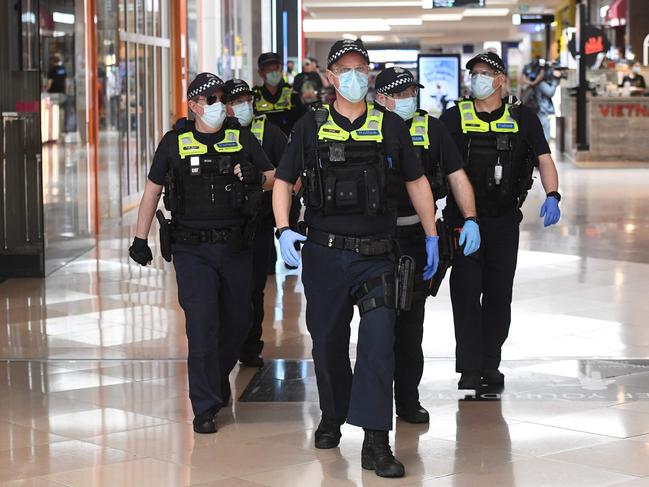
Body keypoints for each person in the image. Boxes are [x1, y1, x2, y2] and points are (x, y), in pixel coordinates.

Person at [272, 38, 440, 479]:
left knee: (378, 343)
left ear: (369, 75)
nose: (353, 76)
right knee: (327, 344)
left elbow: (417, 182)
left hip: (377, 255)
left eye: (360, 68)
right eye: (344, 69)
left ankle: (376, 441)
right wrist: (284, 228)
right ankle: (332, 415)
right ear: (330, 77)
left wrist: (432, 234)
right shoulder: (309, 127)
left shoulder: (390, 126)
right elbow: (283, 181)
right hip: (325, 255)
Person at [128, 73, 275, 434]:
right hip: (192, 249)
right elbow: (152, 191)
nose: (219, 106)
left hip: (236, 245)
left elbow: (275, 177)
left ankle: (215, 375)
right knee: (202, 323)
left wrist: (256, 176)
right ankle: (205, 406)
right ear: (193, 105)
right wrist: (139, 239)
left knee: (240, 319)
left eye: (222, 99)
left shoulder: (240, 137)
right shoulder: (174, 142)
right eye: (210, 100)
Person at [440, 52, 561, 390]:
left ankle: (490, 361)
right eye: (473, 73)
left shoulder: (523, 117)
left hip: (504, 220)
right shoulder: (453, 118)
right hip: (463, 223)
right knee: (465, 293)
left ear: (500, 79)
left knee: (498, 296)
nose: (477, 78)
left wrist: (553, 194)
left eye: (484, 73)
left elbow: (544, 159)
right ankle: (468, 366)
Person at [373, 67, 480, 424]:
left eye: (411, 93)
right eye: (400, 94)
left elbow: (456, 174)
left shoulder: (431, 129)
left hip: (420, 238)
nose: (408, 99)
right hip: (374, 239)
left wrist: (470, 218)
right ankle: (373, 406)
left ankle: (407, 400)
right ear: (382, 98)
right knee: (377, 325)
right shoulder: (366, 128)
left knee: (410, 325)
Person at [223, 78, 288, 368]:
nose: (244, 106)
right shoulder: (213, 134)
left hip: (258, 223)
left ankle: (251, 346)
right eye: (236, 101)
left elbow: (284, 176)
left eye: (247, 100)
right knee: (226, 291)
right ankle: (227, 348)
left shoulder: (269, 134)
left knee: (253, 289)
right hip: (224, 225)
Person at [253, 52, 306, 136]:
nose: (274, 72)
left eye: (276, 68)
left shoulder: (292, 96)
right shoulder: (254, 98)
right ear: (261, 72)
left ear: (281, 70)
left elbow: (304, 122)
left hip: (289, 144)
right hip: (262, 146)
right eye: (269, 69)